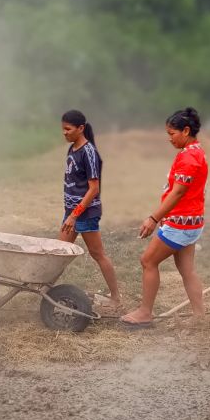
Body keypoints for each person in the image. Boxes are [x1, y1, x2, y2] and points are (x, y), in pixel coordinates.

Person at [120, 107, 208, 328]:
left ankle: (145, 312)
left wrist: (153, 218)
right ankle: (200, 316)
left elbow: (178, 192)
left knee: (148, 261)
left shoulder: (189, 157)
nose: (169, 139)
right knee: (187, 270)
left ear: (185, 130)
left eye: (172, 134)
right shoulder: (197, 152)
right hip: (192, 222)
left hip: (180, 223)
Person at [58, 109, 122, 312]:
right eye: (63, 129)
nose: (64, 133)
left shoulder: (89, 152)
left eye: (68, 129)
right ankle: (44, 289)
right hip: (72, 213)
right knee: (58, 252)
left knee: (98, 254)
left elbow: (93, 189)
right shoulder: (72, 149)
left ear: (81, 128)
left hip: (85, 213)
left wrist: (74, 215)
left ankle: (116, 297)